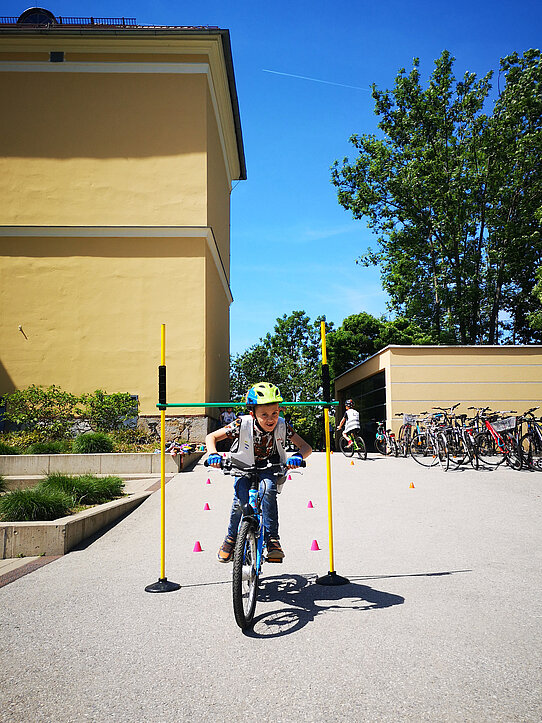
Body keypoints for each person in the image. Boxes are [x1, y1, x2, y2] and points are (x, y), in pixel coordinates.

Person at [205, 382, 312, 563]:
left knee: (268, 489)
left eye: (275, 413)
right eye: (264, 415)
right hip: (242, 465)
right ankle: (231, 538)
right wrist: (213, 454)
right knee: (240, 501)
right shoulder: (242, 423)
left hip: (268, 467)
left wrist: (298, 456)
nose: (270, 419)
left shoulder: (282, 425)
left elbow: (306, 447)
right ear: (252, 413)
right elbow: (211, 437)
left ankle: (272, 540)